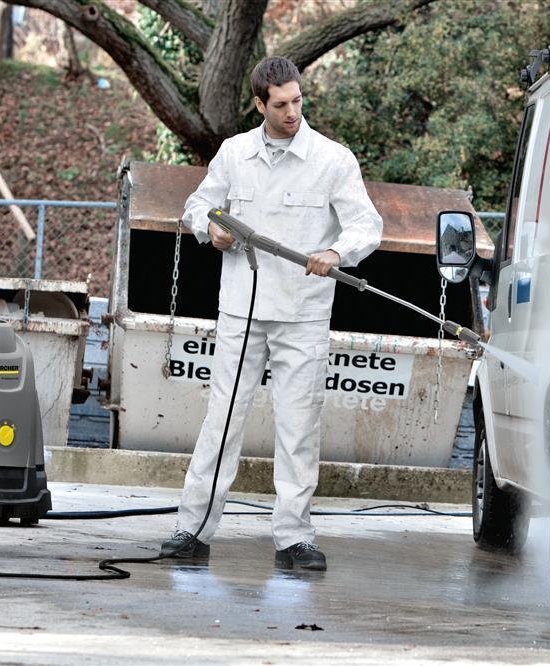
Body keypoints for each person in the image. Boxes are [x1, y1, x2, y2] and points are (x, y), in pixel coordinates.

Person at [160, 57, 383, 571]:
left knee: (299, 425)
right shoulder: (235, 154)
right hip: (242, 310)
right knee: (222, 420)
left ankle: (294, 538)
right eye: (280, 104)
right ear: (259, 103)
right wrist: (210, 229)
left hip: (303, 315)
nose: (291, 112)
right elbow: (199, 206)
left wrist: (335, 253)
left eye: (297, 101)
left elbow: (366, 226)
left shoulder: (332, 159)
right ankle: (191, 528)